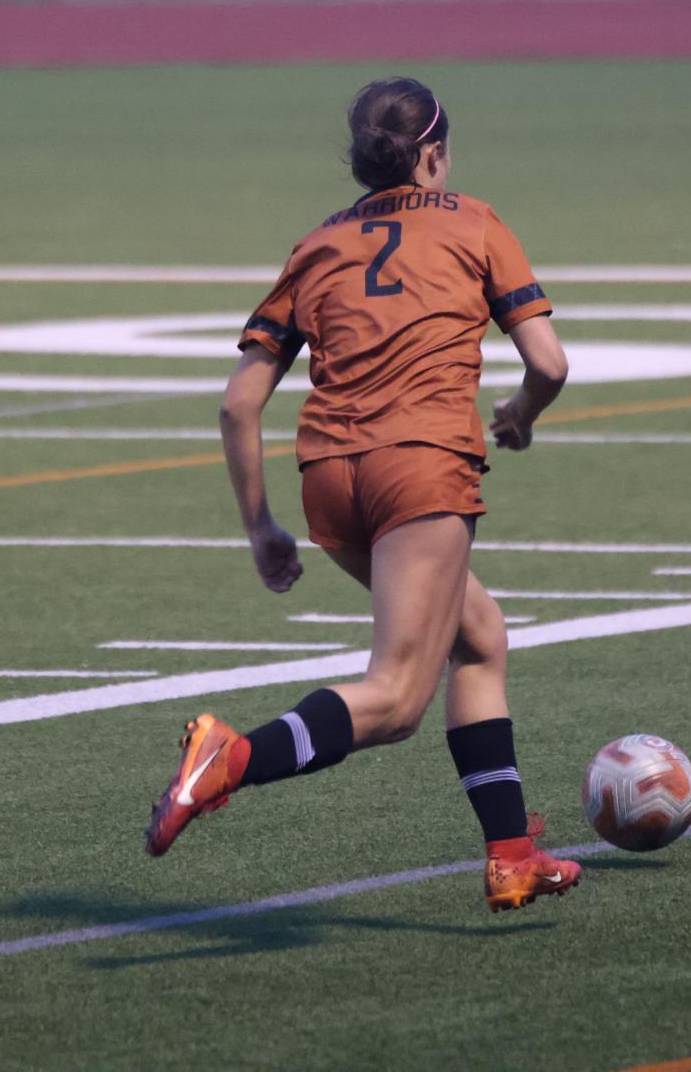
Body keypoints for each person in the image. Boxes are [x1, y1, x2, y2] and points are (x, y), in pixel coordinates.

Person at [144, 77, 581, 914]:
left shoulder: (316, 245)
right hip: (419, 469)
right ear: (433, 154)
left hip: (329, 486)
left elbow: (239, 401)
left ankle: (512, 854)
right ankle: (229, 758)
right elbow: (550, 363)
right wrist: (521, 416)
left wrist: (261, 528)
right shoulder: (473, 220)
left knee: (480, 639)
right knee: (395, 699)